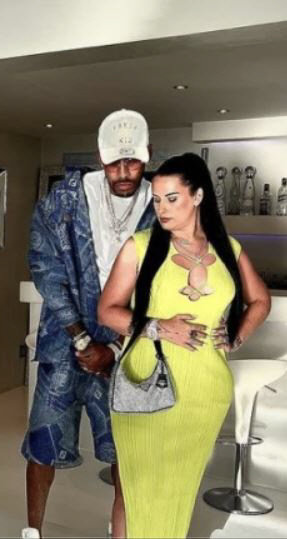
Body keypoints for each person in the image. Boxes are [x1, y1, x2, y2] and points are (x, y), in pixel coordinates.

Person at [98, 152, 271, 538]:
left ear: (198, 196)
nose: (162, 208)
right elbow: (107, 311)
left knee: (179, 489)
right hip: (146, 383)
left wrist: (238, 334)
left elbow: (261, 300)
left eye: (172, 198)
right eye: (157, 199)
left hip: (205, 389)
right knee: (136, 487)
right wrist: (158, 327)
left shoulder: (228, 249)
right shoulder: (140, 246)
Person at [21, 109, 156, 538]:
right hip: (64, 341)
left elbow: (160, 285)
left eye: (133, 161)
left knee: (125, 448)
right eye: (115, 162)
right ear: (100, 157)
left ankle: (121, 530)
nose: (124, 172)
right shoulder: (64, 199)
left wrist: (113, 347)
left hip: (127, 345)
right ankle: (33, 531)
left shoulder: (162, 205)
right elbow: (45, 267)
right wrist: (81, 339)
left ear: (148, 155)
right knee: (42, 440)